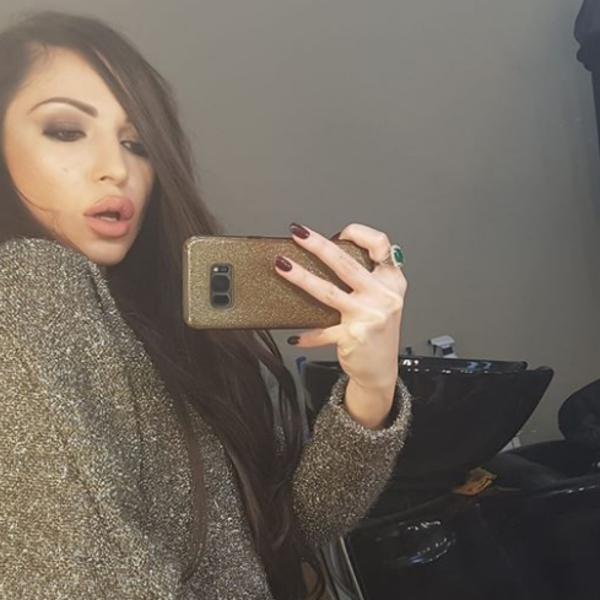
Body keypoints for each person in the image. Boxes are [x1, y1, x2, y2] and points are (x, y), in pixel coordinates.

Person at [0, 10, 412, 600]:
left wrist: (371, 388)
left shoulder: (142, 324)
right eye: (65, 131)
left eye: (138, 144)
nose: (116, 170)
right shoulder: (27, 286)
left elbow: (283, 534)